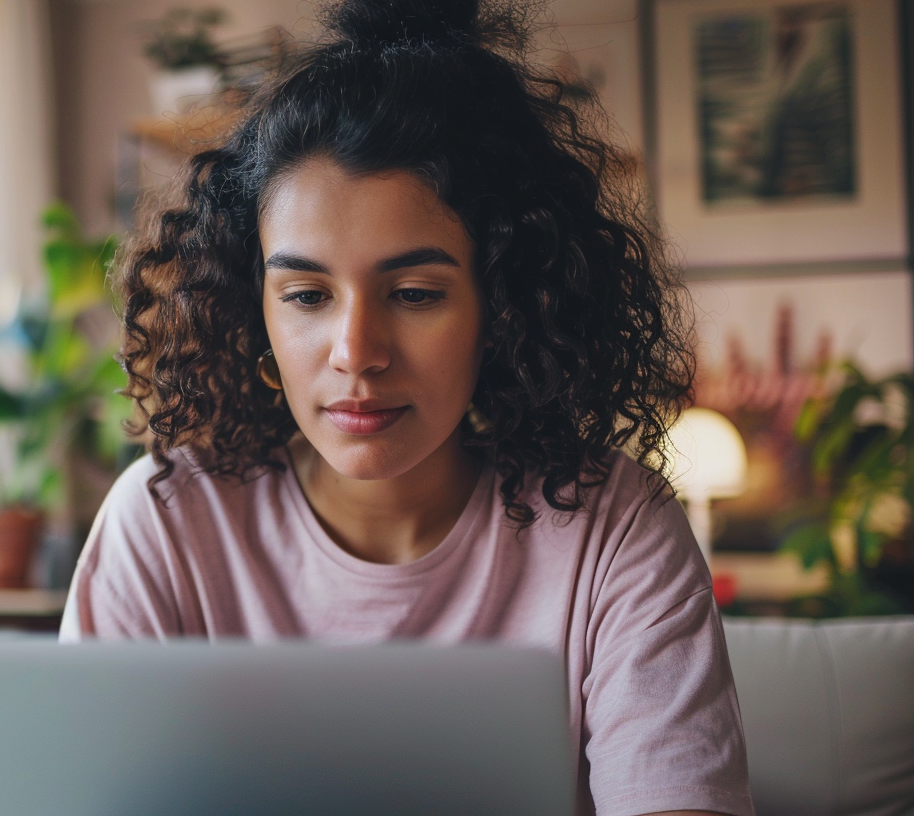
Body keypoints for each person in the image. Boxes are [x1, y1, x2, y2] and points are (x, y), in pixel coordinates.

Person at [61, 1, 754, 814]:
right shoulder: (166, 524)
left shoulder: (616, 534)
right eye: (308, 295)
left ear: (505, 306)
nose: (356, 351)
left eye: (416, 293)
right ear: (256, 311)